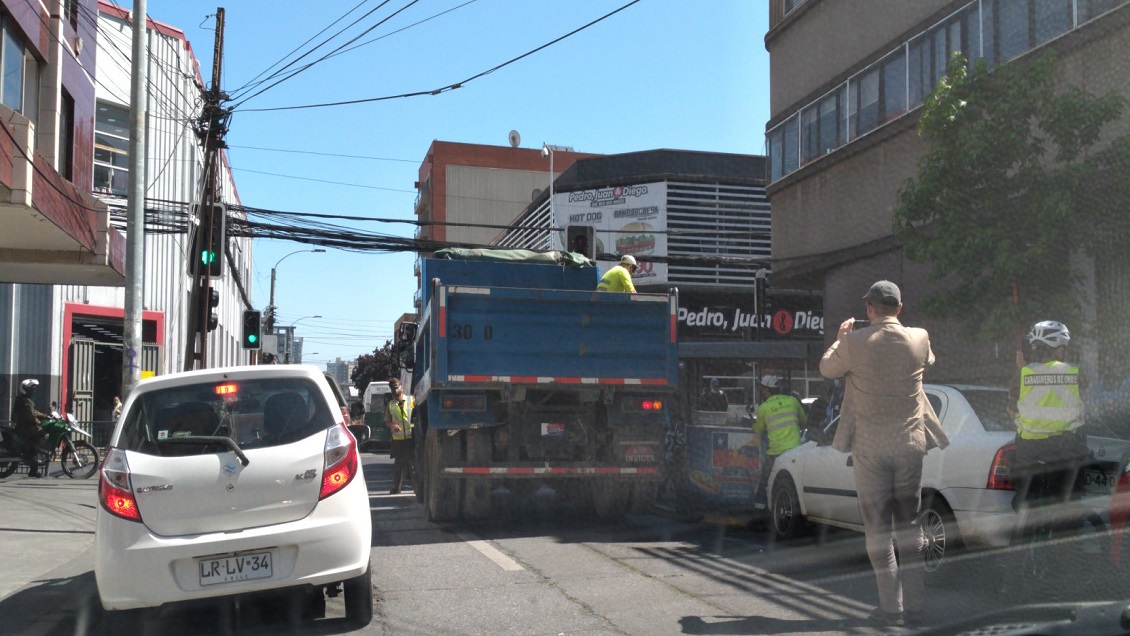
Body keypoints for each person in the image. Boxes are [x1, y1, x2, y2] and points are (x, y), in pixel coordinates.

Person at [819, 280, 949, 628]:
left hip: (871, 450)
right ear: (900, 308)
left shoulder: (854, 342)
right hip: (910, 446)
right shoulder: (919, 338)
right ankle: (917, 608)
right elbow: (929, 359)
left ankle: (891, 610)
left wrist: (840, 337)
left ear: (869, 309)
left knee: (877, 531)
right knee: (909, 527)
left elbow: (827, 368)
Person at [1008, 320, 1088, 521]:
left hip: (1029, 450)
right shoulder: (1075, 373)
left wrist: (1021, 369)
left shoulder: (1023, 374)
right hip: (1066, 449)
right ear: (1060, 348)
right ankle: (1065, 544)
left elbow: (1011, 410)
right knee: (1068, 505)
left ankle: (1023, 531)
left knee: (1025, 499)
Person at [751, 375, 806, 504]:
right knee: (794, 481)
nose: (761, 392)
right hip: (795, 450)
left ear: (766, 390)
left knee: (765, 480)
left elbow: (758, 430)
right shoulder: (792, 401)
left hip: (775, 453)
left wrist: (750, 424)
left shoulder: (763, 407)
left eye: (762, 389)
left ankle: (760, 507)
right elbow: (804, 421)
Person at [11, 379, 50, 478]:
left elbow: (34, 412)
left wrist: (46, 416)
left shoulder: (25, 400)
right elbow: (31, 417)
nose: (33, 392)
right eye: (31, 390)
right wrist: (39, 422)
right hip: (25, 428)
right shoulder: (24, 401)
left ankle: (34, 467)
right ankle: (31, 455)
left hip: (26, 426)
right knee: (44, 434)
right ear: (25, 390)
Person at [385, 378, 415, 494]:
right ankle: (396, 488)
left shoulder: (411, 400)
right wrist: (392, 425)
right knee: (399, 465)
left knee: (413, 465)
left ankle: (417, 488)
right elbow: (387, 421)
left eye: (397, 387)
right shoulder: (391, 405)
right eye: (393, 388)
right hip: (398, 440)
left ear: (401, 387)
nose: (395, 390)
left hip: (411, 437)